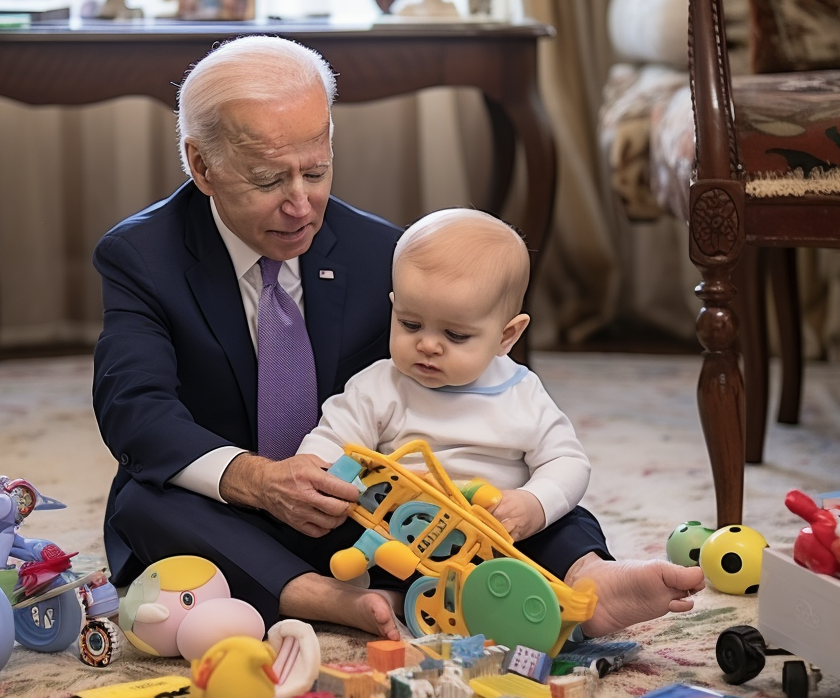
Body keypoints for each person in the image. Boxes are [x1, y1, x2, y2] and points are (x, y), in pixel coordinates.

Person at [92, 35, 700, 647]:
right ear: (202, 166)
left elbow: (461, 397)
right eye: (269, 179)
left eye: (318, 170)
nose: (301, 204)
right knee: (145, 500)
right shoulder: (143, 257)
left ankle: (590, 579)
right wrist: (256, 479)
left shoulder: (381, 251)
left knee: (494, 476)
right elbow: (134, 409)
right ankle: (321, 598)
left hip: (366, 513)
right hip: (229, 507)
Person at [298, 209, 706, 638]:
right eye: (410, 324)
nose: (428, 345)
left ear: (506, 336)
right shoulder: (379, 386)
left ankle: (592, 580)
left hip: (502, 534)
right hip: (407, 535)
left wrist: (532, 504)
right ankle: (390, 600)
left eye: (456, 336)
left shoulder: (521, 393)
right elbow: (330, 442)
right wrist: (314, 466)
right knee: (343, 533)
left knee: (570, 523)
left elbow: (567, 461)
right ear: (394, 307)